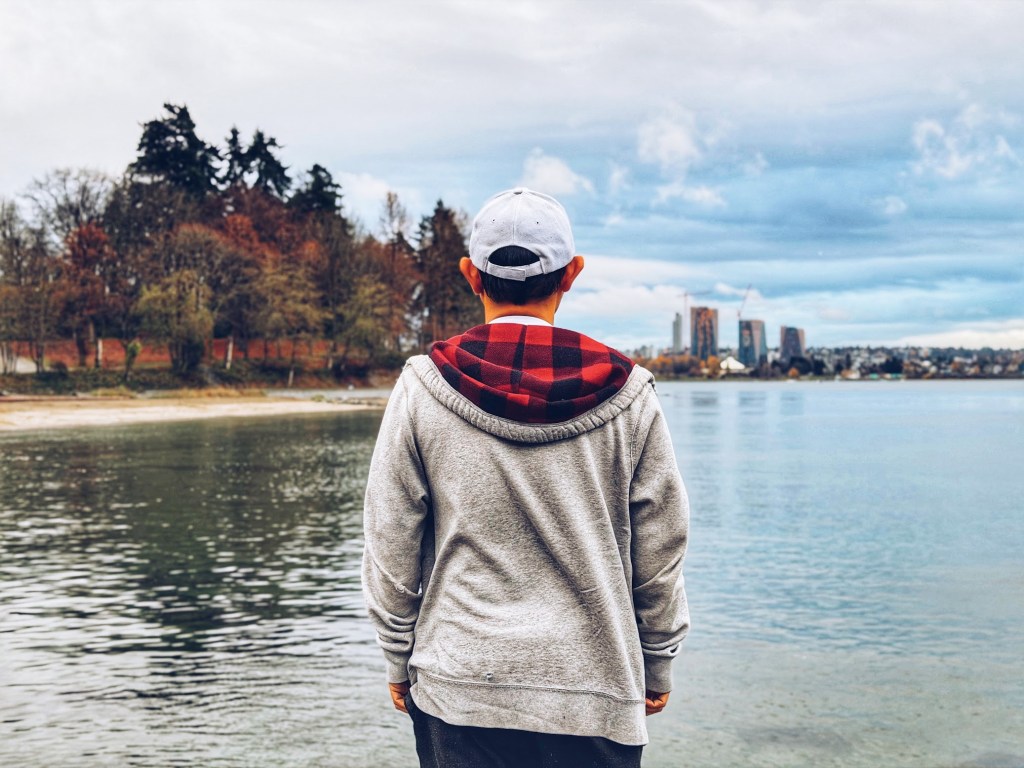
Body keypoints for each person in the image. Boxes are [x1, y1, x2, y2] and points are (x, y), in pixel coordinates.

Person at [362, 187, 689, 767]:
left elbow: (390, 543)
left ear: (471, 275)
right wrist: (657, 659)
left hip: (460, 687)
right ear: (572, 275)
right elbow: (660, 551)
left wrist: (397, 655)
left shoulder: (422, 387)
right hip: (595, 692)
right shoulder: (631, 394)